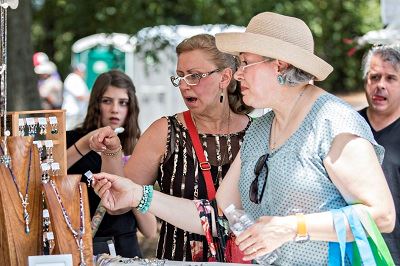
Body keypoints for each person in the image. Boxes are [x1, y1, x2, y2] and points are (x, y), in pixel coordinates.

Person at [92, 13, 395, 264]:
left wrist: (291, 227)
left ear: (280, 65)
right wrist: (138, 195)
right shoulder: (261, 130)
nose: (237, 75)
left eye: (246, 63)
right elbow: (217, 215)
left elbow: (381, 216)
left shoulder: (333, 121)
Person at [89, 34, 253, 261]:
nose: (184, 86)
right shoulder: (165, 131)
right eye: (180, 77)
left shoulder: (257, 133)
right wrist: (112, 153)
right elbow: (119, 204)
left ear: (224, 78)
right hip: (176, 259)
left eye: (195, 76)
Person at [66, 70, 157, 258]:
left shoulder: (139, 148)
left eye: (123, 102)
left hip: (127, 248)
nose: (115, 109)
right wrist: (86, 143)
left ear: (131, 107)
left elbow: (149, 230)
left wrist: (129, 185)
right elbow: (51, 171)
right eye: (107, 101)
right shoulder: (73, 140)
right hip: (87, 247)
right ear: (96, 103)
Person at [358, 44, 400, 264]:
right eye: (374, 77)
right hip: (353, 252)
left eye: (391, 78)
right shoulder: (346, 127)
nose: (380, 85)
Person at [63, 63, 90, 130]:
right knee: (68, 132)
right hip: (72, 112)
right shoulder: (72, 78)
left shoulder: (78, 79)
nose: (83, 73)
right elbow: (80, 96)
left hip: (77, 113)